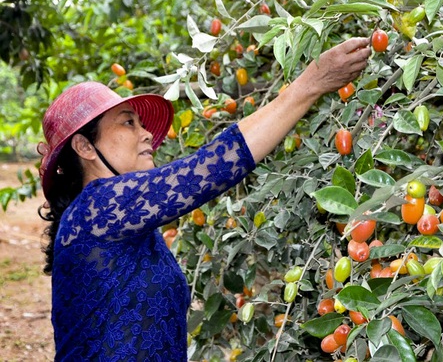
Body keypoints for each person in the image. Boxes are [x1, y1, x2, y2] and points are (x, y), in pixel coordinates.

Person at [37, 37, 371, 361]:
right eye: (128, 123)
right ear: (84, 147)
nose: (147, 134)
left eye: (140, 122)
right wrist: (310, 83)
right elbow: (210, 168)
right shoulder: (96, 208)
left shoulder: (130, 224)